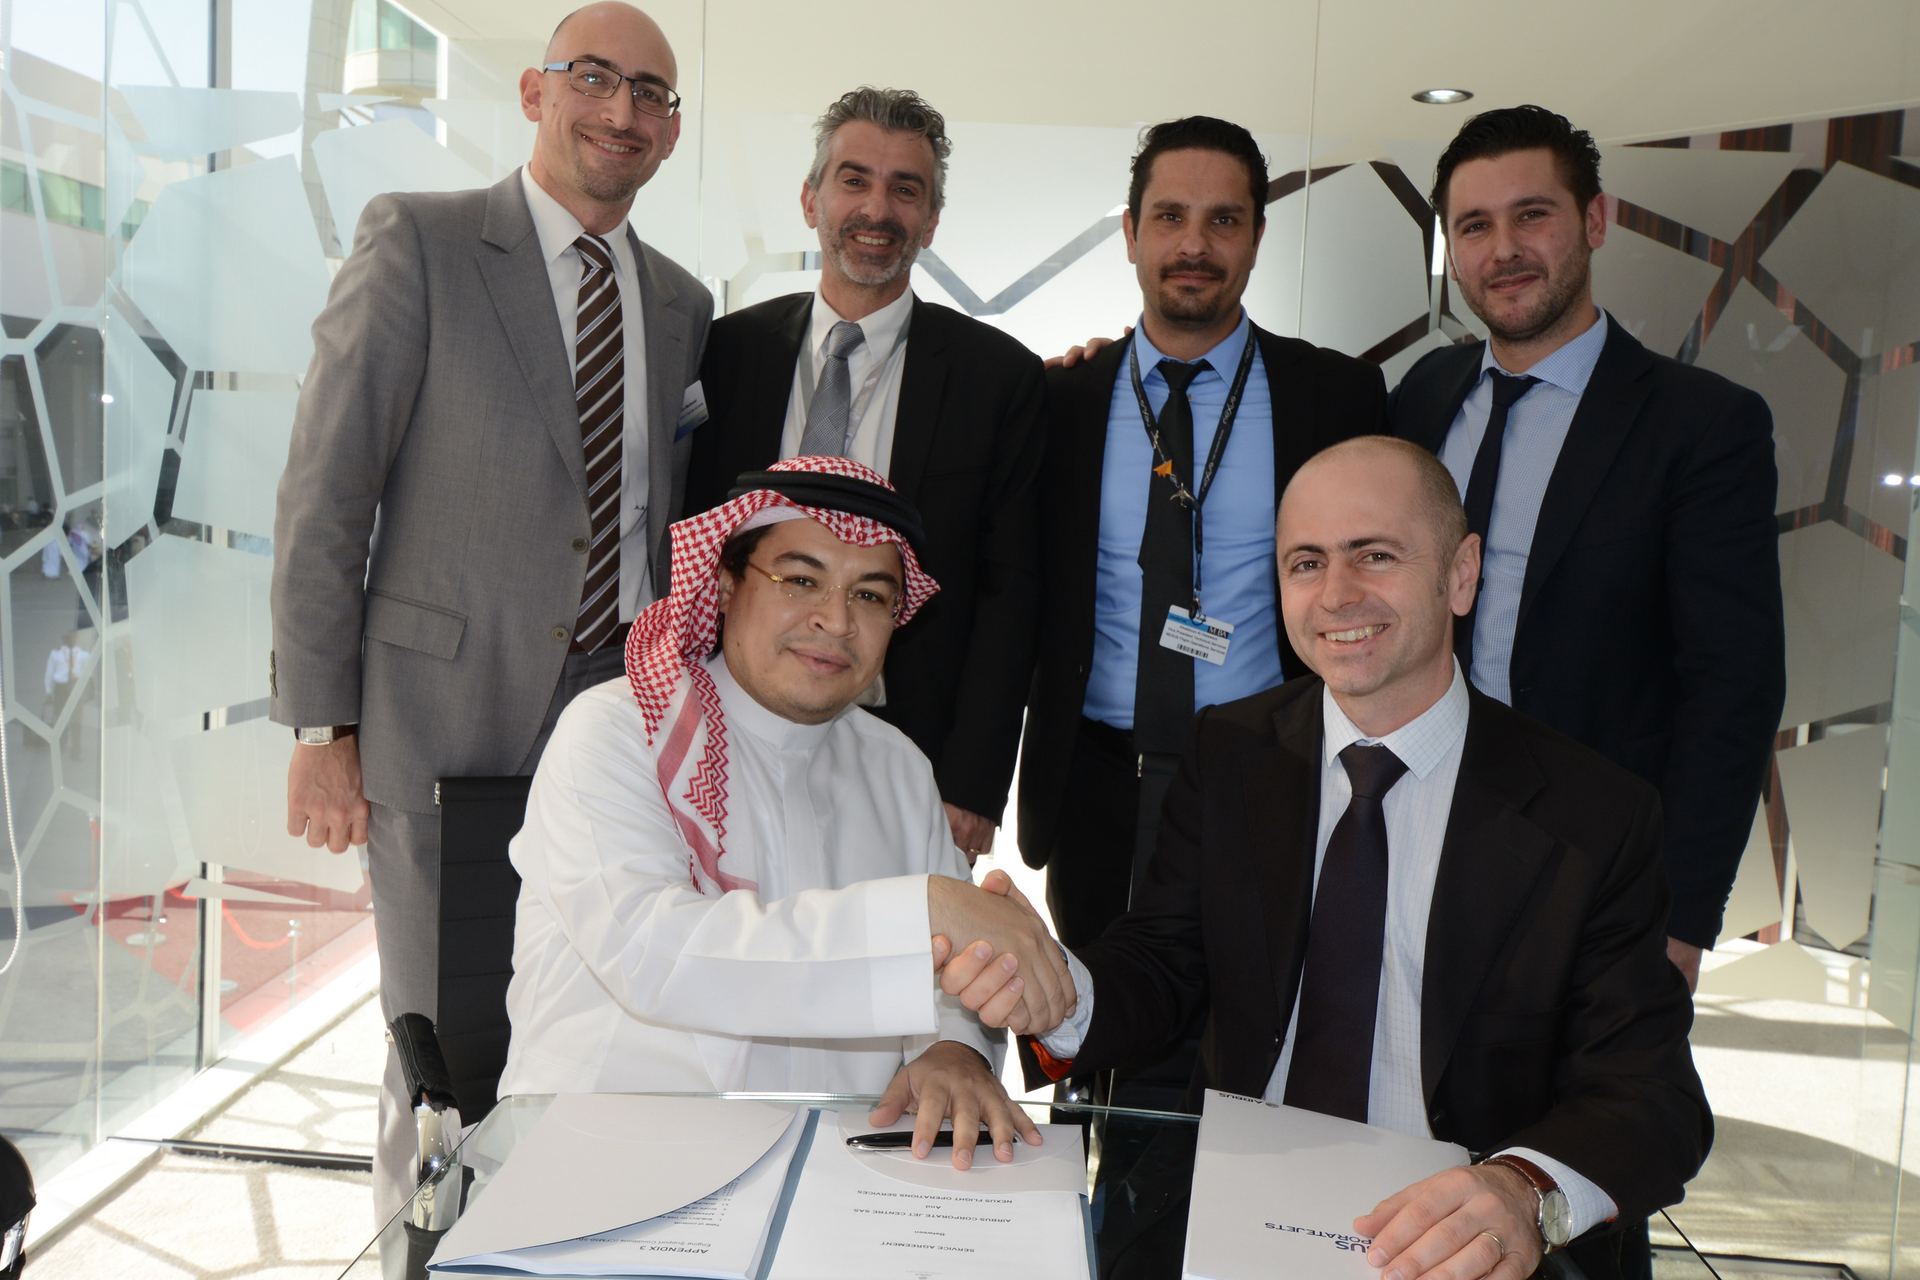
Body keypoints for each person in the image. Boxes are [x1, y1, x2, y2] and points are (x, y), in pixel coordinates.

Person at [947, 436, 1710, 1280]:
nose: (1337, 595)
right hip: (1241, 1212)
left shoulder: (1592, 811)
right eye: (1305, 563)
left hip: (1458, 1234)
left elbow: (1651, 1096)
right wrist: (1056, 987)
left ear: (1461, 574)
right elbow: (1166, 959)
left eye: (1374, 555)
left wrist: (1524, 1190)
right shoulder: (1232, 750)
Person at [270, 2, 711, 1219]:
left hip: (613, 729)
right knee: (439, 1053)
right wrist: (322, 727)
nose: (621, 112)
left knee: (583, 1028)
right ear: (534, 93)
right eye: (594, 79)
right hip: (438, 720)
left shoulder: (679, 302)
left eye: (652, 97)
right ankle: (422, 1248)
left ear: (671, 134)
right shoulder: (419, 240)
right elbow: (327, 487)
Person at [501, 456, 1073, 1169]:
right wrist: (924, 910)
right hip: (613, 1160)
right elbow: (654, 955)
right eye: (800, 580)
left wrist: (954, 1050)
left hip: (839, 1172)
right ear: (725, 581)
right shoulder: (615, 731)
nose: (835, 620)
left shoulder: (898, 768)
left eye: (870, 596)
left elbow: (954, 978)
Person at [1389, 105, 1784, 987]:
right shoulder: (1424, 393)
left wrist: (1681, 918)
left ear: (1594, 220)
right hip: (1408, 833)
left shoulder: (1701, 425)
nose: (1504, 250)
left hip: (1592, 871)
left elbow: (1735, 685)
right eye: (1474, 226)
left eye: (1533, 214)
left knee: (1569, 1121)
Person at [1018, 114, 1386, 987]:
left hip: (1267, 774)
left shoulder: (1337, 396)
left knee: (1248, 1033)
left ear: (1258, 236)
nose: (1195, 244)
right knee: (1094, 1022)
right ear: (1131, 233)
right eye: (1171, 217)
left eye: (1224, 220)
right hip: (1094, 782)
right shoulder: (1059, 399)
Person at [686, 88, 1044, 862]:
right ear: (812, 198)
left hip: (910, 751)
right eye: (854, 180)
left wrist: (974, 782)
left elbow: (1011, 594)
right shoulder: (727, 352)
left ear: (932, 220)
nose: (876, 209)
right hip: (732, 729)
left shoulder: (999, 378)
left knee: (895, 964)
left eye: (905, 189)